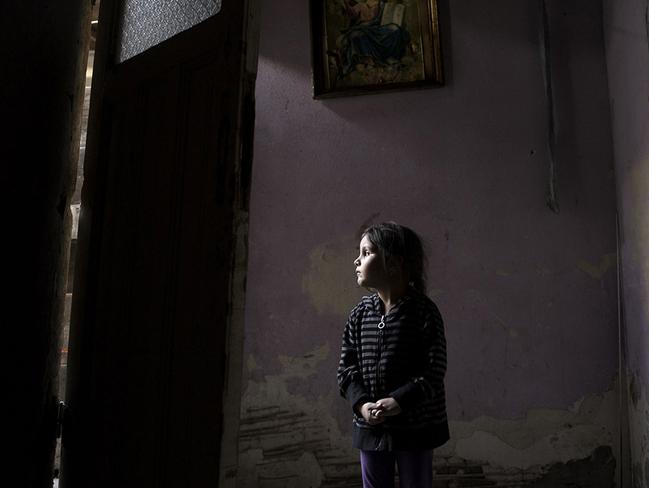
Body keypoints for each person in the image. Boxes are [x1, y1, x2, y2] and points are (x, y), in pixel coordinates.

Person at [337, 222, 449, 488]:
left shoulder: (423, 312)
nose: (357, 260)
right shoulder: (359, 314)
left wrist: (400, 401)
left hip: (417, 429)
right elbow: (346, 371)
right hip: (370, 428)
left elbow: (434, 371)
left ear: (394, 263)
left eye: (366, 253)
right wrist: (363, 405)